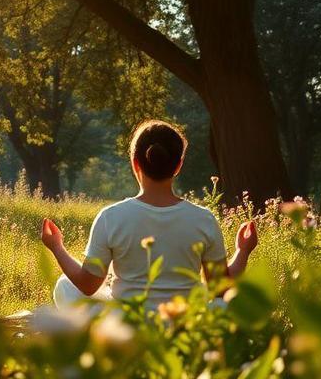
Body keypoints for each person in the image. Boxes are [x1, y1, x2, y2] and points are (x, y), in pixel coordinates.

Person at [40, 119, 258, 310]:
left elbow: (87, 285)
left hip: (127, 326)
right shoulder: (204, 219)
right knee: (226, 303)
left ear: (135, 163)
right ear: (178, 166)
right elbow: (220, 289)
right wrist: (242, 251)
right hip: (185, 321)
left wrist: (57, 247)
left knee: (66, 287)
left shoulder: (110, 217)